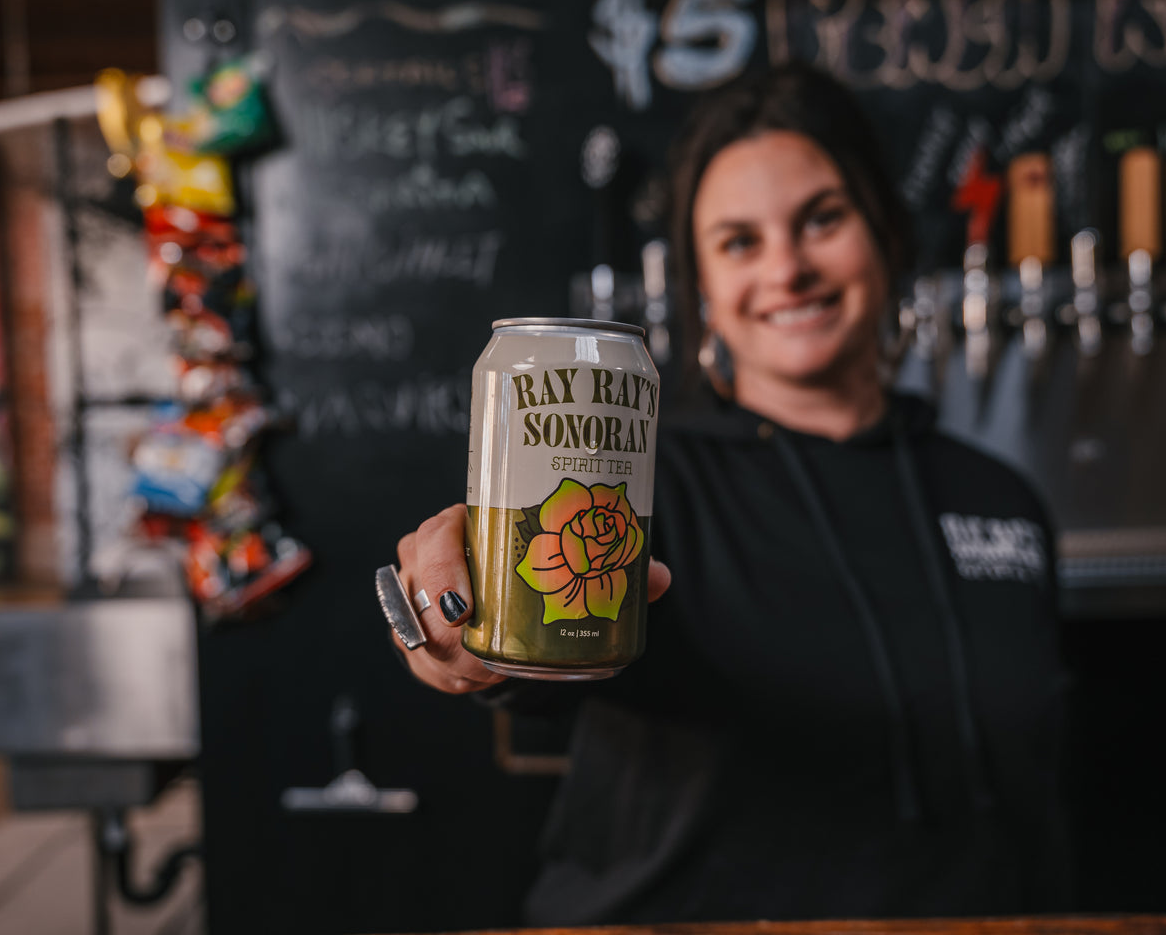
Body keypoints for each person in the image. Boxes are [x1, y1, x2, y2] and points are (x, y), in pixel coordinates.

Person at [390, 64, 1070, 924]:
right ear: (703, 288)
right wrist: (459, 630)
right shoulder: (640, 485)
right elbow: (528, 666)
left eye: (822, 219)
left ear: (885, 231)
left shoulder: (1002, 501)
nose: (788, 268)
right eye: (740, 242)